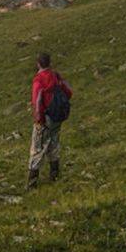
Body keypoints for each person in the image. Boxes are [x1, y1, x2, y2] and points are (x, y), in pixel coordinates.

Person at [28, 51, 71, 190]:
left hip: (45, 118)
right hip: (57, 117)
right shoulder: (56, 76)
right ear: (49, 63)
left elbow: (36, 101)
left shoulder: (39, 80)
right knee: (54, 144)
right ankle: (55, 175)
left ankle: (32, 183)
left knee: (37, 148)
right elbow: (69, 92)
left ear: (38, 63)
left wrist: (38, 118)